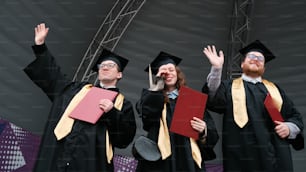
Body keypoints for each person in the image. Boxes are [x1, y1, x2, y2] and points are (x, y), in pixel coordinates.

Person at [24, 23, 136, 172]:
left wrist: (112, 112)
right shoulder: (78, 90)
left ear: (119, 74)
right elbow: (54, 77)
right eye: (101, 65)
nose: (105, 67)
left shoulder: (123, 104)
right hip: (60, 152)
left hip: (90, 160)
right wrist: (40, 47)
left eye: (111, 65)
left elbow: (124, 139)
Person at [202, 40, 304, 172]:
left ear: (264, 68)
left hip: (275, 155)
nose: (255, 59)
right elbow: (213, 97)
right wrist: (216, 69)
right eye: (251, 57)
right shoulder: (230, 87)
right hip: (241, 155)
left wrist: (289, 128)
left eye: (260, 59)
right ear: (242, 64)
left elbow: (294, 116)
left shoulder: (275, 90)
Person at [135, 51, 219, 172]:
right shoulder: (150, 98)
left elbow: (212, 133)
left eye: (171, 69)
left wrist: (203, 130)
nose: (168, 73)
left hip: (187, 156)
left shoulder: (192, 100)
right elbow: (147, 119)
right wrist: (157, 88)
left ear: (178, 74)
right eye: (163, 71)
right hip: (159, 157)